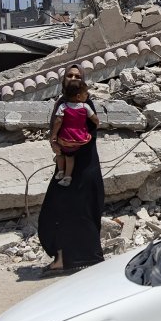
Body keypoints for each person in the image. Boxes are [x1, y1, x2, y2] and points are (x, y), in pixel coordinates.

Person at [36, 65, 106, 272]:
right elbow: (55, 130)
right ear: (63, 79)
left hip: (85, 167)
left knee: (85, 212)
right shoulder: (61, 103)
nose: (73, 78)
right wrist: (56, 144)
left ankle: (89, 260)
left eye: (77, 76)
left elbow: (91, 132)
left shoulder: (85, 103)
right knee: (54, 212)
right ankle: (61, 259)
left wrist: (69, 146)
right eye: (69, 75)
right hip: (65, 166)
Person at [50, 77, 98, 187]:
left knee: (60, 153)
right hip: (79, 139)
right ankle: (67, 177)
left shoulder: (63, 106)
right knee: (70, 157)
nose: (87, 95)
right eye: (85, 93)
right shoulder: (85, 106)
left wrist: (53, 135)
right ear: (78, 96)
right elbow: (94, 119)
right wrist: (97, 123)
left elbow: (58, 121)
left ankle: (61, 171)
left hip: (64, 138)